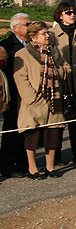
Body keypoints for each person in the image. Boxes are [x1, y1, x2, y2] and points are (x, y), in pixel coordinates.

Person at [14, 22, 70, 179]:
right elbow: (20, 77)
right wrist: (32, 98)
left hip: (54, 99)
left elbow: (65, 67)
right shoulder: (22, 54)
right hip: (33, 102)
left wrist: (58, 72)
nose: (47, 36)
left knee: (52, 134)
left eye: (47, 33)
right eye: (43, 34)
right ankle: (32, 168)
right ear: (33, 38)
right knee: (31, 135)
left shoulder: (54, 52)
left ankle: (50, 167)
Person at [50, 2, 76, 165]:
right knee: (59, 119)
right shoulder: (51, 34)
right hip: (61, 80)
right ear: (60, 15)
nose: (72, 15)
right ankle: (56, 155)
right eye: (68, 12)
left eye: (73, 12)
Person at [0, 13, 30, 178]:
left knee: (26, 130)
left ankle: (24, 163)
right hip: (13, 94)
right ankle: (7, 165)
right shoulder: (6, 46)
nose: (29, 26)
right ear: (16, 28)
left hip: (27, 94)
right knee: (11, 130)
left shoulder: (31, 44)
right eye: (26, 24)